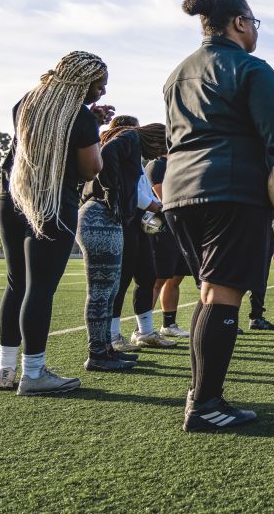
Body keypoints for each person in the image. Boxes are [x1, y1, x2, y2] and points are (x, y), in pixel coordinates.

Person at [164, 0, 274, 432]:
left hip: (179, 194)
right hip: (229, 189)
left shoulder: (177, 74)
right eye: (255, 22)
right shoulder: (251, 68)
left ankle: (201, 395)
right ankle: (205, 404)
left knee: (208, 293)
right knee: (223, 295)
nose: (256, 30)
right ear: (239, 22)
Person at [0, 51, 112, 395]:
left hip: (12, 196)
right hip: (52, 202)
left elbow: (45, 137)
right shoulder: (78, 116)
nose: (101, 92)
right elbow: (92, 168)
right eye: (99, 86)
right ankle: (34, 374)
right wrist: (92, 131)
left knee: (16, 284)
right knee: (40, 288)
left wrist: (91, 122)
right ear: (82, 82)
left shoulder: (25, 102)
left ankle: (5, 369)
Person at [78, 123, 173, 371]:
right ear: (155, 138)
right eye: (163, 145)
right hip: (99, 216)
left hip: (104, 216)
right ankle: (98, 353)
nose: (159, 153)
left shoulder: (134, 146)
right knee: (102, 288)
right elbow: (107, 154)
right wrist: (113, 194)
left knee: (109, 289)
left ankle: (106, 349)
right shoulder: (131, 137)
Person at [147, 152, 193, 338]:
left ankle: (169, 324)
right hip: (162, 227)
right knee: (157, 279)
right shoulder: (157, 165)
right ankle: (143, 328)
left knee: (176, 278)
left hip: (182, 227)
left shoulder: (183, 163)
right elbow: (165, 197)